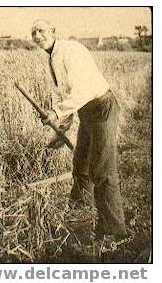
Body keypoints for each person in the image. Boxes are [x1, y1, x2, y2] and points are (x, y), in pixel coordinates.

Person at [30, 19, 127, 239]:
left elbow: (81, 91)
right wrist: (60, 129)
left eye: (41, 30)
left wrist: (56, 113)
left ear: (54, 31)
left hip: (102, 107)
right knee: (81, 163)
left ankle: (114, 232)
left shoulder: (71, 51)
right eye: (33, 32)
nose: (37, 36)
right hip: (86, 111)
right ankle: (80, 210)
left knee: (102, 170)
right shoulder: (50, 58)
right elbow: (64, 95)